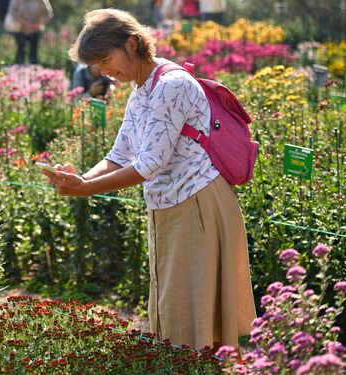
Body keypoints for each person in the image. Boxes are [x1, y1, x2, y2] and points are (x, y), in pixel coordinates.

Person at [41, 9, 256, 353]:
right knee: (181, 313)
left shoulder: (171, 85)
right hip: (174, 206)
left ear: (132, 43)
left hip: (198, 205)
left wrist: (86, 189)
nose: (104, 72)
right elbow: (119, 155)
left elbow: (149, 165)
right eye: (97, 65)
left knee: (198, 318)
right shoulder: (142, 90)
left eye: (107, 60)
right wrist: (80, 177)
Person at [4, 0, 53, 65]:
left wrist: (38, 24)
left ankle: (33, 69)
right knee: (21, 50)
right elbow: (12, 13)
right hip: (20, 29)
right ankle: (18, 69)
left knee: (34, 52)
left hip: (36, 29)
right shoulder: (17, 1)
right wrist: (26, 23)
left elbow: (48, 14)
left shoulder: (42, 1)